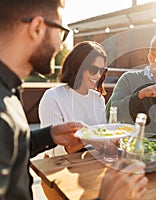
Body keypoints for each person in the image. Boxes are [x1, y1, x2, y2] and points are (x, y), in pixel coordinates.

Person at [0, 1, 147, 200]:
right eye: (61, 32)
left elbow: (9, 145)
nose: (61, 45)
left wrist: (49, 136)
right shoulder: (6, 108)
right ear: (37, 28)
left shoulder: (9, 91)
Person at [106, 32, 156, 136]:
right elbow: (110, 113)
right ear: (151, 58)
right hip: (131, 146)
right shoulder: (129, 79)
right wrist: (140, 95)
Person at [39, 41, 108, 156]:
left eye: (102, 71)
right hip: (62, 165)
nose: (97, 76)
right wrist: (87, 139)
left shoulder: (98, 99)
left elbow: (103, 136)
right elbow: (52, 150)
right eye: (93, 69)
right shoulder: (53, 96)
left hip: (93, 161)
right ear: (78, 67)